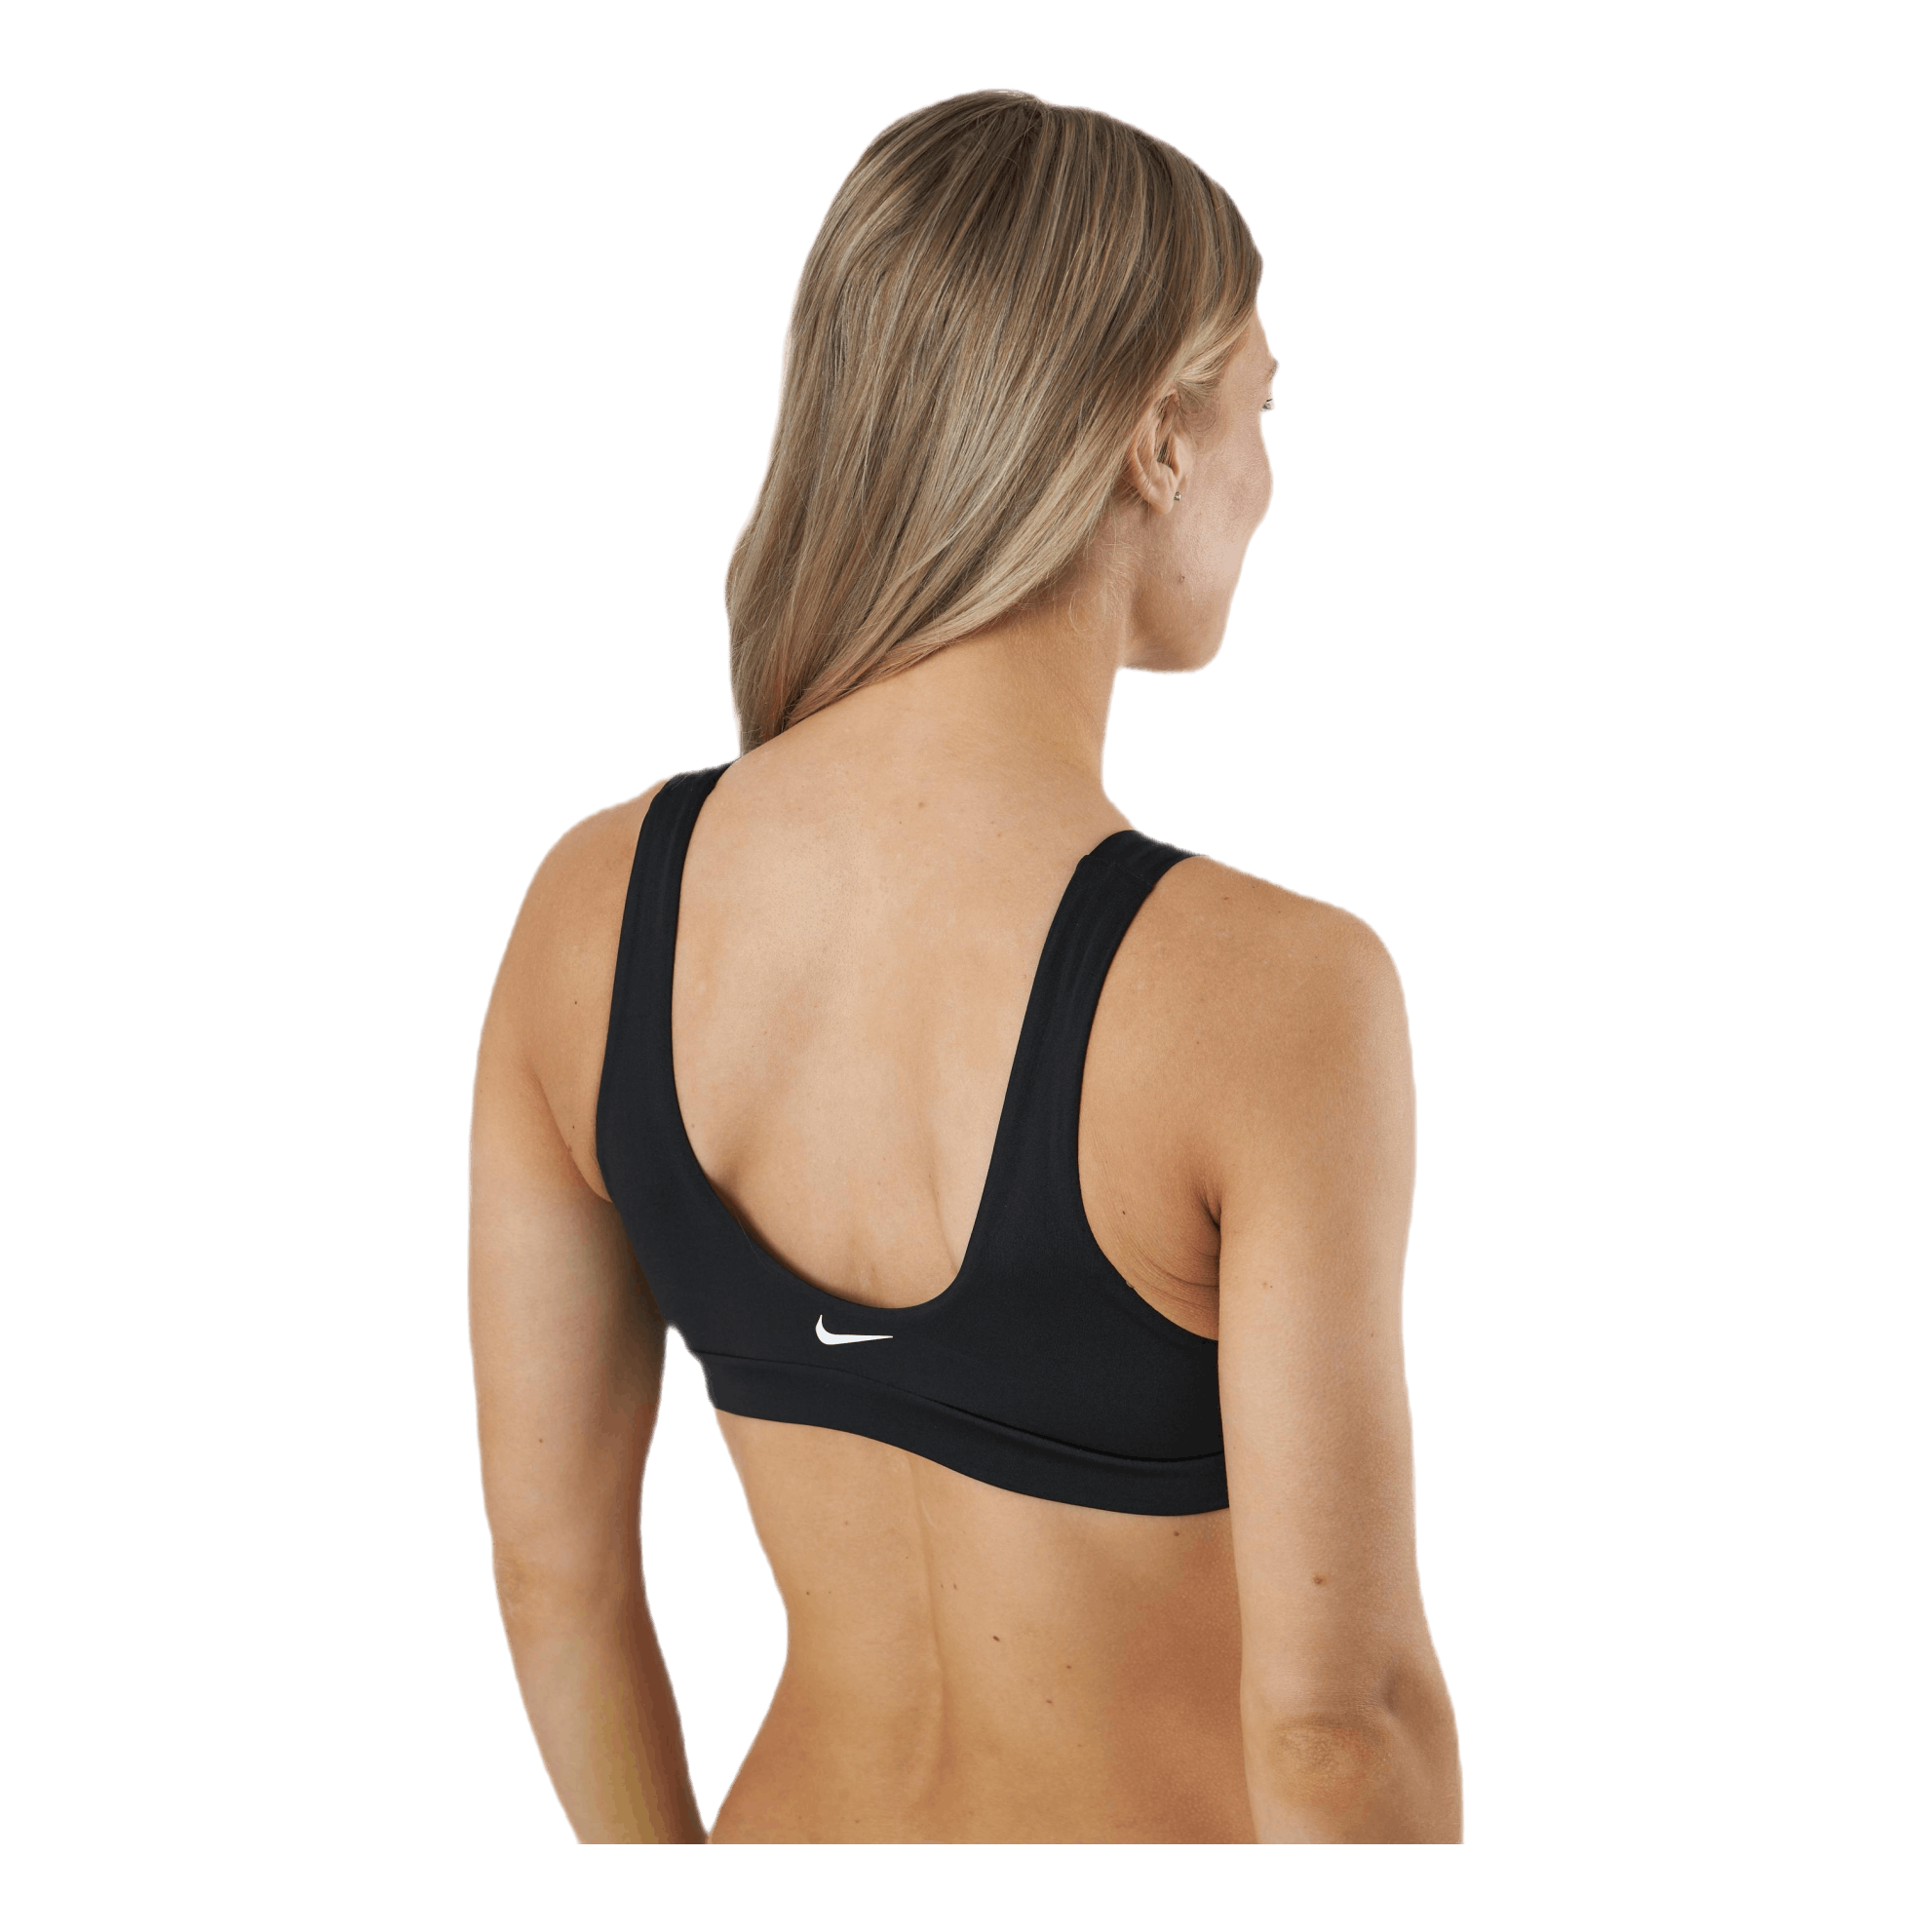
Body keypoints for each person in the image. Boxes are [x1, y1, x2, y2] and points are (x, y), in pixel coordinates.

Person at [467, 88, 1461, 1843]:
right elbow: (1336, 1725)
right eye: (1262, 408)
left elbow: (554, 1578)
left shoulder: (592, 909)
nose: (1268, 478)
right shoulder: (1270, 989)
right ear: (1155, 439)